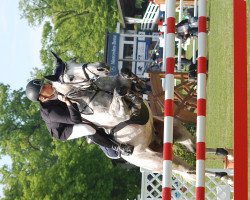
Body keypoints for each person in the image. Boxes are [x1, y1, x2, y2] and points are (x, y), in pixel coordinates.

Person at [25, 79, 134, 159]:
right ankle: (118, 147)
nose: (47, 85)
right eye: (44, 87)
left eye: (44, 84)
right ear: (42, 97)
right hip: (64, 130)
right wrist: (68, 102)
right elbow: (75, 120)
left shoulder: (53, 93)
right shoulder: (50, 113)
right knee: (87, 128)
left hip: (69, 115)